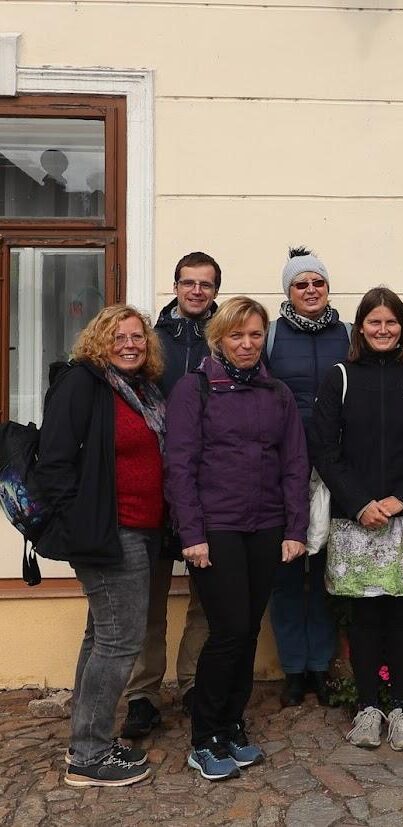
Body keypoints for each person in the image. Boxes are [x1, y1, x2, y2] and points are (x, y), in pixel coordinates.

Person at [165, 296, 309, 781]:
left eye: (255, 335)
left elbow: (295, 464)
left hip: (265, 527)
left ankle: (231, 724)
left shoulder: (277, 392)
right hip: (216, 529)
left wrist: (295, 529)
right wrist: (192, 533)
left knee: (247, 632)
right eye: (236, 335)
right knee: (226, 632)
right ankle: (204, 736)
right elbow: (180, 466)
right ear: (219, 338)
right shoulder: (194, 389)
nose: (247, 344)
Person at [312, 287, 403, 751]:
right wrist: (360, 503)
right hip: (357, 519)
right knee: (365, 616)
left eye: (391, 322)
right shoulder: (340, 378)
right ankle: (368, 708)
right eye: (374, 322)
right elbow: (325, 450)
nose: (383, 329)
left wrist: (399, 501)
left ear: (402, 327)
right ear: (361, 327)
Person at [37, 305, 166, 787]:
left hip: (140, 529)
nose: (130, 344)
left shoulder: (140, 389)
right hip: (110, 533)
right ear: (98, 340)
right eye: (118, 336)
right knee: (120, 642)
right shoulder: (83, 384)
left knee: (102, 638)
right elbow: (53, 462)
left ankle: (86, 741)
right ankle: (89, 755)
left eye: (137, 336)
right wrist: (82, 523)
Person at [122, 251, 219, 740]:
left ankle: (195, 683)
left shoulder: (225, 339)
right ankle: (143, 695)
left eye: (205, 284)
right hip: (154, 488)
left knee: (207, 597)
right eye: (188, 282)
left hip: (210, 487)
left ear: (215, 290)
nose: (196, 291)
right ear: (176, 286)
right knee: (148, 599)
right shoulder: (151, 339)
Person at [265, 247, 350, 708]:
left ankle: (321, 665)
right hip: (283, 468)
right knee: (285, 571)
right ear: (289, 291)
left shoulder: (349, 334)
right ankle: (293, 670)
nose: (311, 290)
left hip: (335, 467)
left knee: (324, 572)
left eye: (318, 282)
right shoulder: (271, 336)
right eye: (301, 284)